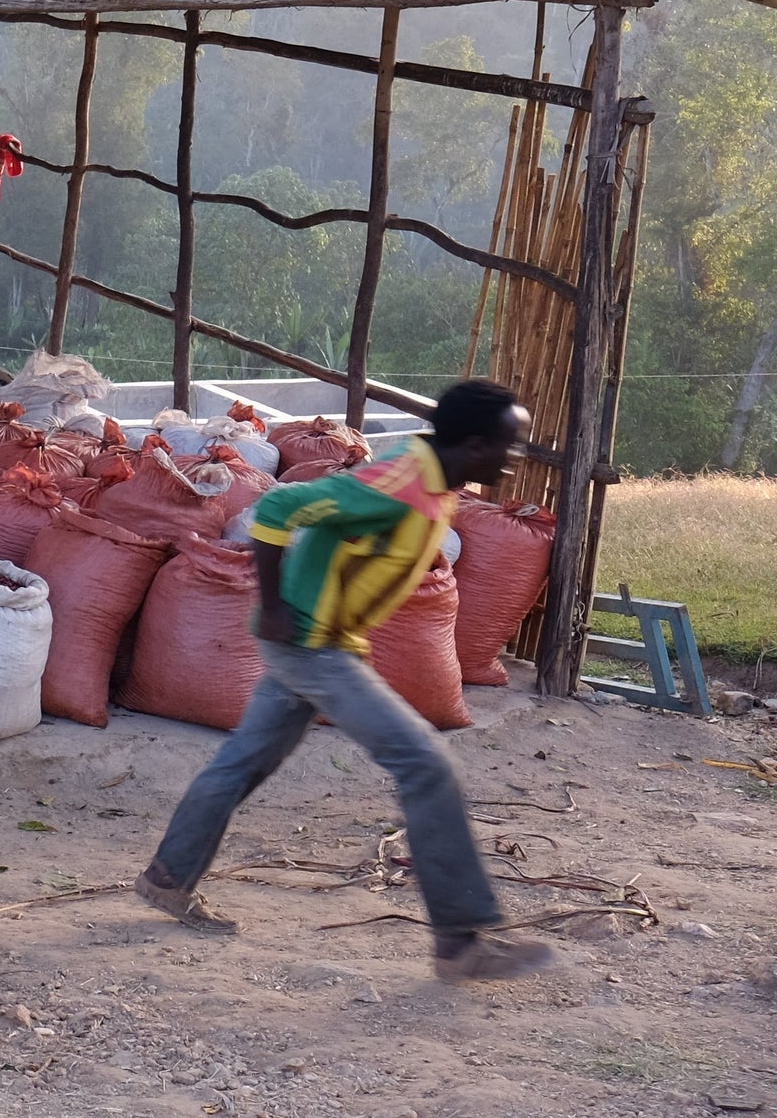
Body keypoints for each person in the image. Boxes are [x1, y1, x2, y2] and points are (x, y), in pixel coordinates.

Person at [134, 378, 554, 982]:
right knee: (426, 764)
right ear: (473, 442)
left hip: (323, 642)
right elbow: (278, 507)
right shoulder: (401, 484)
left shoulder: (427, 474)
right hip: (311, 644)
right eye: (508, 445)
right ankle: (461, 942)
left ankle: (167, 878)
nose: (514, 459)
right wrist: (276, 606)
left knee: (241, 765)